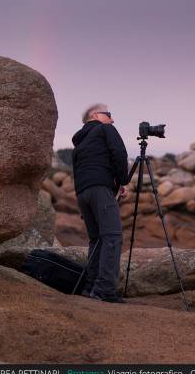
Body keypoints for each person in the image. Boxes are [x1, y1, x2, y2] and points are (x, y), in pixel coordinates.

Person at [72, 103, 129, 303]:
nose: (112, 119)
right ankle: (104, 290)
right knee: (112, 238)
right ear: (95, 115)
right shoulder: (106, 129)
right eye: (109, 114)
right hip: (99, 191)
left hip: (82, 193)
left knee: (96, 240)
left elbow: (80, 169)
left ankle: (90, 287)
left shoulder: (80, 141)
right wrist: (122, 181)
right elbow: (119, 153)